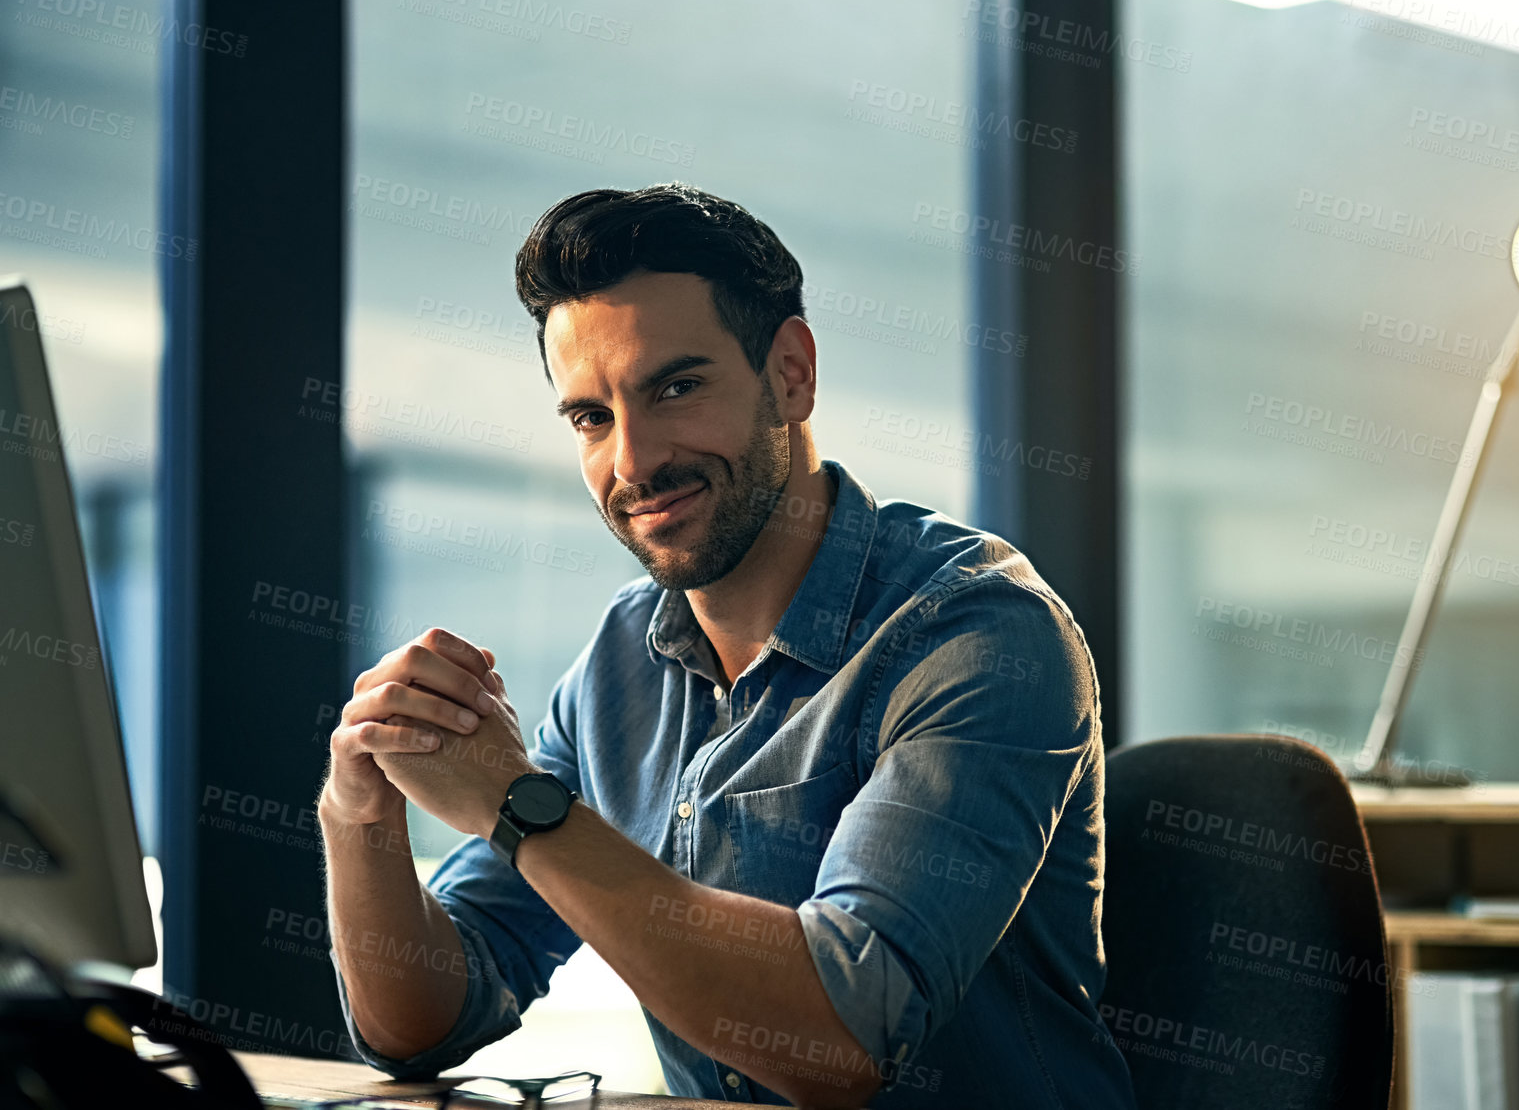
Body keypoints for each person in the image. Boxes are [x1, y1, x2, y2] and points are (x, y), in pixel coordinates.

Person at [317, 183, 1135, 1109]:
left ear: (791, 372)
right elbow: (424, 1024)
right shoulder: (623, 659)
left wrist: (519, 804)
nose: (632, 461)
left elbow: (841, 1038)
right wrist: (361, 815)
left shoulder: (981, 635)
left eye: (676, 387)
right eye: (592, 416)